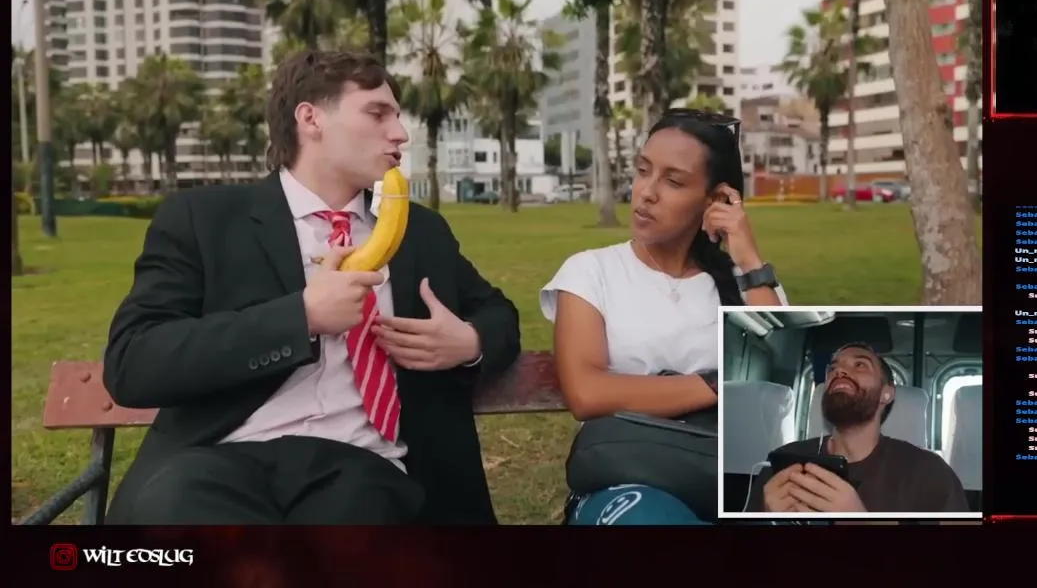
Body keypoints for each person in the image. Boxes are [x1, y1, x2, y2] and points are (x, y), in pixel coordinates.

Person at [102, 50, 521, 525]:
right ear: (311, 119)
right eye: (377, 113)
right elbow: (133, 362)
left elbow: (498, 315)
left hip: (364, 469)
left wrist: (469, 342)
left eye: (398, 116)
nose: (400, 133)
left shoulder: (419, 232)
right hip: (217, 461)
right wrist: (300, 317)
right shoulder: (205, 220)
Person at [541, 109, 788, 525]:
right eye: (643, 171)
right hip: (629, 479)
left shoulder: (745, 282)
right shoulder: (591, 271)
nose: (646, 192)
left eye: (673, 181)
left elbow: (781, 371)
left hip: (729, 480)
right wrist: (716, 385)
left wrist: (747, 256)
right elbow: (587, 393)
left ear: (715, 200)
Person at [748, 342, 967, 517]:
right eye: (833, 368)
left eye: (860, 365)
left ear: (886, 394)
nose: (839, 371)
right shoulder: (783, 466)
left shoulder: (929, 474)